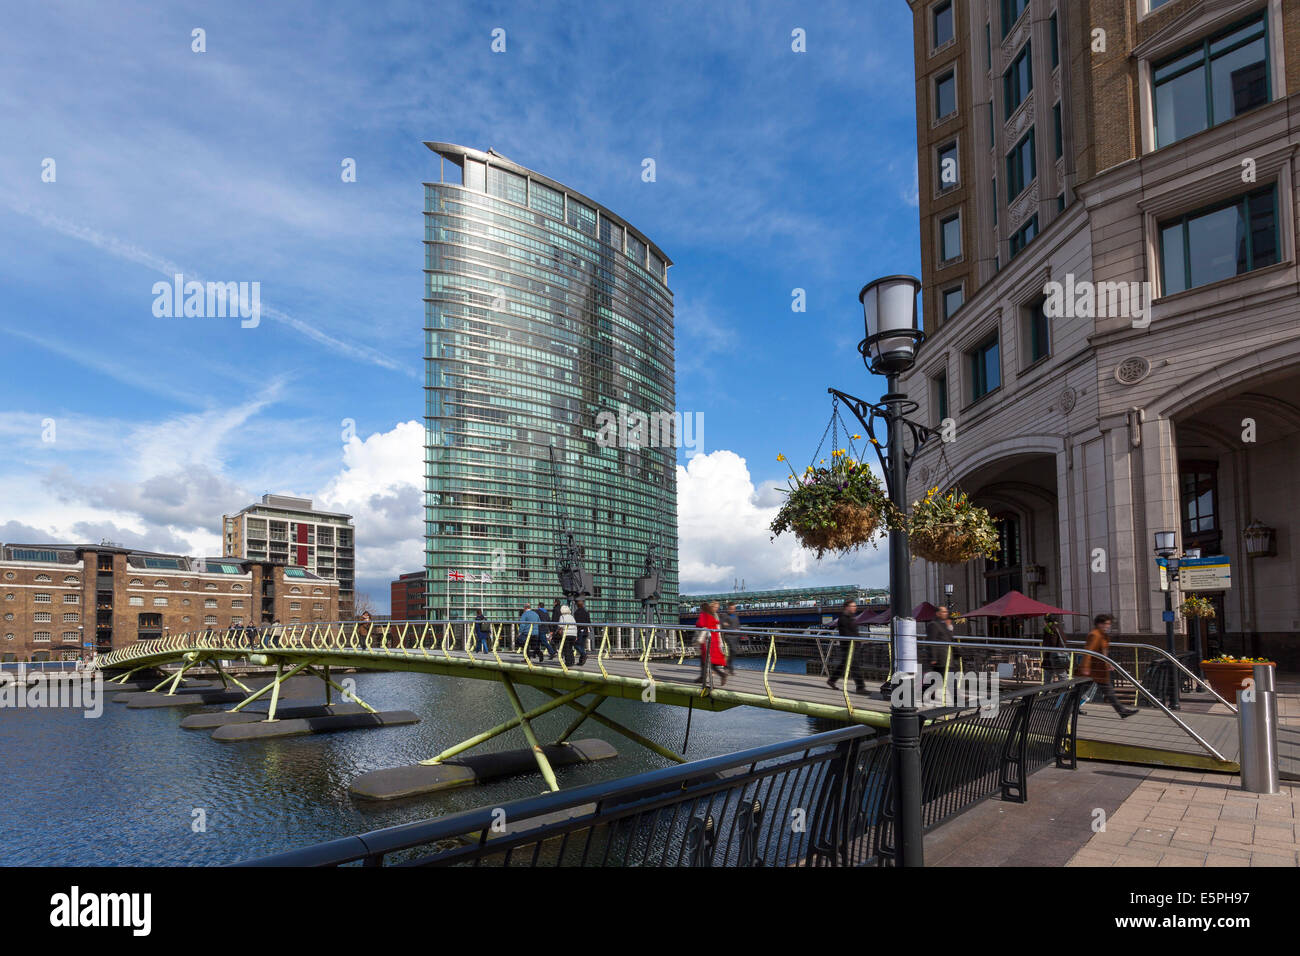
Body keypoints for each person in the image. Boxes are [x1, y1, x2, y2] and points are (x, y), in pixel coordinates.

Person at [1080, 613, 1137, 717]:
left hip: (1099, 670)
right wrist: (1085, 667)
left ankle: (1122, 711)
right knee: (1080, 690)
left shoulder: (1102, 635)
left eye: (1109, 624)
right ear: (1099, 624)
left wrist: (1108, 664)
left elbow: (1103, 652)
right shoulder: (1095, 635)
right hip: (1092, 669)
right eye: (1106, 624)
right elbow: (1088, 652)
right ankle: (1068, 708)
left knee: (1108, 691)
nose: (1108, 626)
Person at [827, 600, 868, 694]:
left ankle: (832, 680)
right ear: (846, 607)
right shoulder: (843, 619)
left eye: (855, 606)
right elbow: (847, 634)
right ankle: (860, 688)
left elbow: (853, 632)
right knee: (854, 666)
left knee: (844, 665)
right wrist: (857, 641)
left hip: (853, 645)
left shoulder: (850, 617)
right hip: (849, 646)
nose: (855, 608)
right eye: (852, 606)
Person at [694, 600, 727, 687]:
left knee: (706, 661)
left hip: (707, 642)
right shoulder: (712, 616)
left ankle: (720, 675)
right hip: (714, 640)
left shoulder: (704, 615)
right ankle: (704, 677)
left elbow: (700, 624)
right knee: (708, 661)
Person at [925, 605, 955, 673]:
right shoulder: (933, 624)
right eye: (943, 612)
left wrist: (949, 627)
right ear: (938, 613)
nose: (946, 613)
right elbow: (931, 641)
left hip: (947, 658)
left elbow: (950, 638)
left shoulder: (944, 624)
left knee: (947, 680)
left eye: (946, 612)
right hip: (941, 659)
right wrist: (933, 658)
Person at [1041, 613, 1069, 684]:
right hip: (1059, 656)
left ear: (1047, 621)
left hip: (1053, 657)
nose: (1043, 623)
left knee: (1048, 680)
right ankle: (1064, 693)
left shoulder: (1050, 630)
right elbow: (1064, 641)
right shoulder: (1058, 628)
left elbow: (1051, 643)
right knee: (1063, 677)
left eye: (1044, 621)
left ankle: (1046, 694)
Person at [719, 603, 741, 675]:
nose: (732, 610)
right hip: (728, 636)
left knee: (734, 652)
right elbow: (724, 625)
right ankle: (729, 667)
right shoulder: (724, 615)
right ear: (728, 608)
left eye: (734, 608)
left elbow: (737, 625)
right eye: (731, 608)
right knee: (732, 650)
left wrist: (737, 629)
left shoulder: (736, 615)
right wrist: (733, 629)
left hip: (736, 636)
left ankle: (727, 666)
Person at [573, 598, 591, 665]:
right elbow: (589, 622)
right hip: (585, 630)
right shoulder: (586, 612)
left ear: (577, 606)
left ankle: (584, 654)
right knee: (582, 646)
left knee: (576, 645)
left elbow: (577, 623)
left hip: (580, 630)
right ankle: (581, 661)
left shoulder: (576, 613)